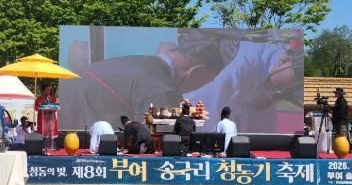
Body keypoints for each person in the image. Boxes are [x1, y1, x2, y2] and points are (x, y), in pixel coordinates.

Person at [60, 30, 231, 129]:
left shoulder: (133, 60)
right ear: (197, 72)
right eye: (208, 80)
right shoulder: (164, 90)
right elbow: (158, 141)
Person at [185, 32, 304, 133]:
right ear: (283, 61)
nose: (280, 90)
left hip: (237, 108)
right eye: (279, 86)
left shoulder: (281, 72)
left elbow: (264, 127)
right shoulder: (237, 71)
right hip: (198, 107)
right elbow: (204, 118)